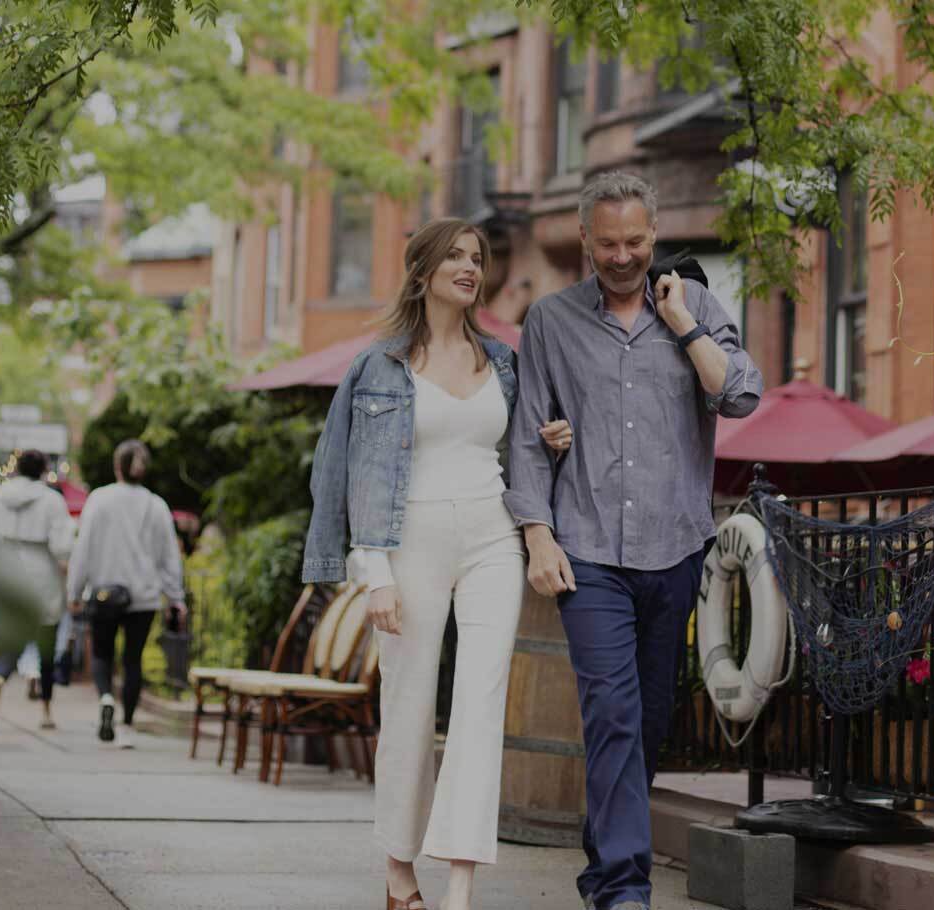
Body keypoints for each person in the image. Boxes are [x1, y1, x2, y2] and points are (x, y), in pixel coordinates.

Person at [504, 172, 763, 910]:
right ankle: (623, 886)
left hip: (674, 544)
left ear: (654, 237)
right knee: (610, 712)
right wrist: (538, 535)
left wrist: (683, 325)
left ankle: (604, 853)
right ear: (585, 239)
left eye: (636, 242)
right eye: (607, 243)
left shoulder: (696, 304)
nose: (621, 257)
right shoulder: (551, 321)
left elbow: (740, 395)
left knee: (647, 719)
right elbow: (528, 436)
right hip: (587, 546)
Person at [302, 218, 573, 910]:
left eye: (476, 258)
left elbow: (520, 460)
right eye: (454, 256)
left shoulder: (503, 363)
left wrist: (551, 440)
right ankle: (399, 874)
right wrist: (374, 575)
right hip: (408, 540)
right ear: (422, 271)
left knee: (481, 707)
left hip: (492, 541)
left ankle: (458, 888)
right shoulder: (378, 367)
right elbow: (345, 473)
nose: (470, 267)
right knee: (411, 704)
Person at [66, 440, 186, 749]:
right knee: (133, 660)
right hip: (143, 596)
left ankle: (106, 698)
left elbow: (83, 548)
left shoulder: (99, 499)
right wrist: (176, 597)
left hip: (104, 593)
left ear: (117, 466)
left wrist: (74, 591)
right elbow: (169, 557)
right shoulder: (157, 505)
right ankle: (127, 725)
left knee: (102, 655)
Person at [0, 449, 75, 731]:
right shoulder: (52, 501)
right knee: (46, 645)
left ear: (17, 468)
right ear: (44, 469)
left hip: (9, 572)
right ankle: (46, 710)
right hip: (42, 573)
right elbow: (61, 547)